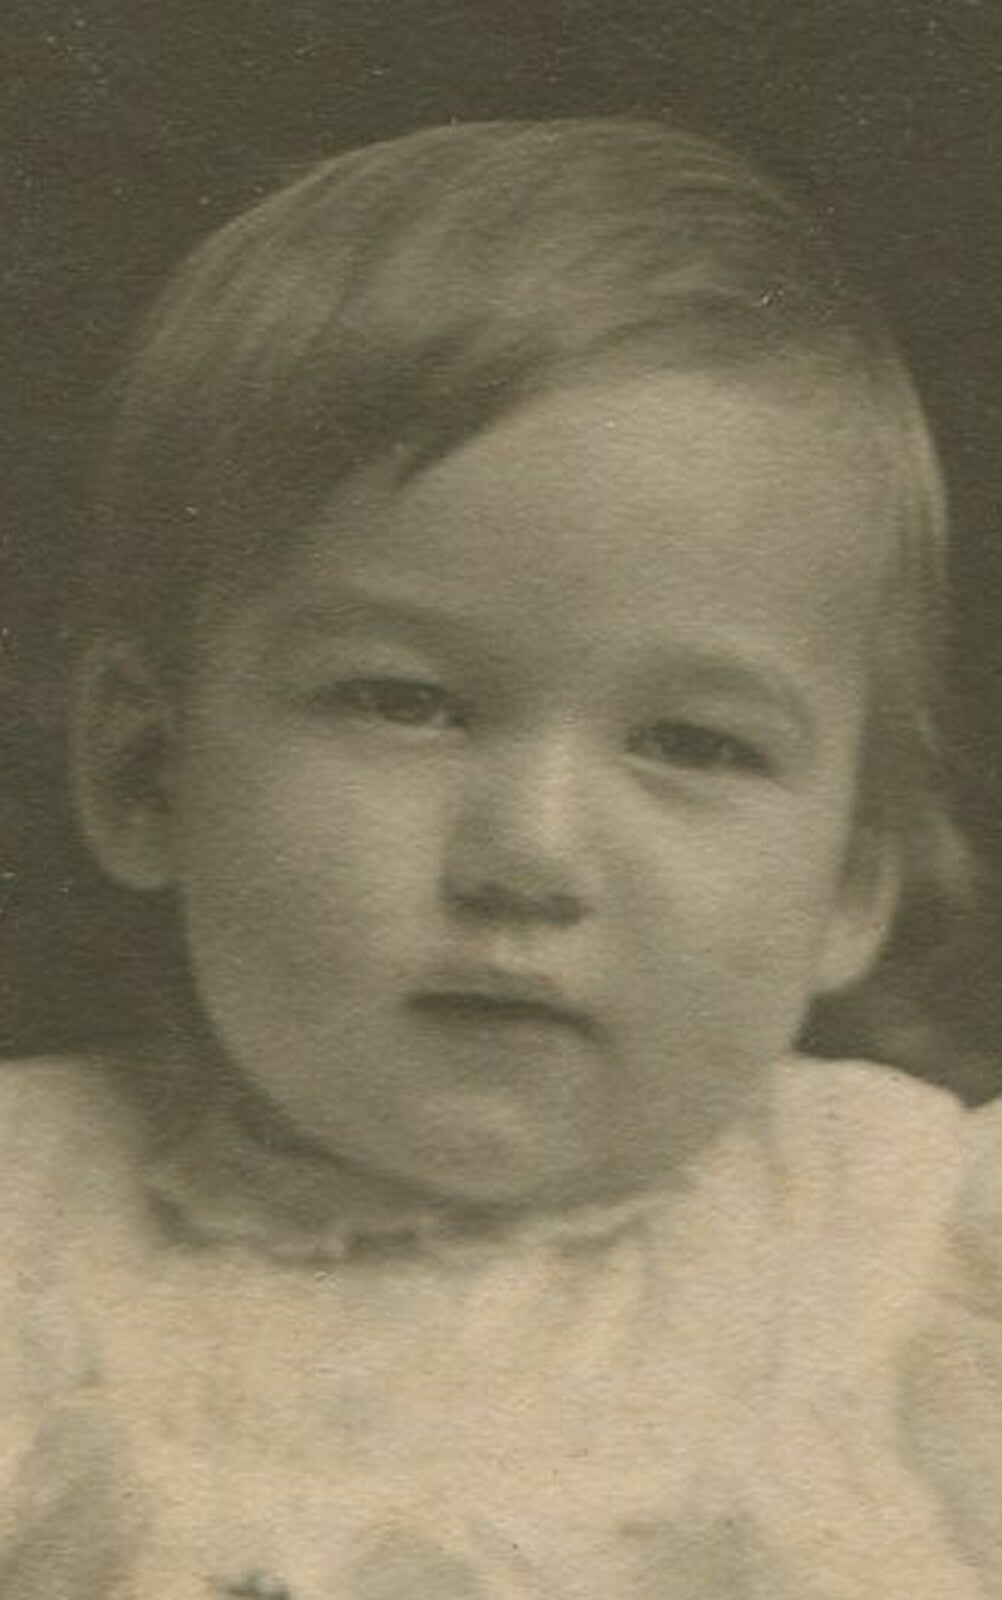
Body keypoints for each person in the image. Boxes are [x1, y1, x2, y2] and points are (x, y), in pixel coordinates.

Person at [1, 117, 999, 1598]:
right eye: (406, 703)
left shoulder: (918, 1267)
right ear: (147, 773)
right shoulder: (26, 1245)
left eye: (693, 743)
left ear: (853, 878)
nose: (529, 859)